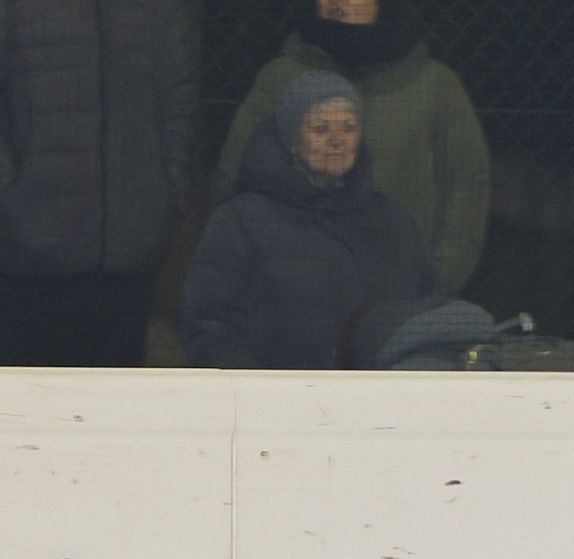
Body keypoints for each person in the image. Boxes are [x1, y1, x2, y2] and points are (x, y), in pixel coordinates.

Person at [212, 0, 490, 293]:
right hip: (293, 294)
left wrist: (438, 276)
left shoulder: (434, 86)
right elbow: (235, 176)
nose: (336, 2)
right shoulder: (281, 79)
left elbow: (465, 186)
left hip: (399, 293)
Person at [181, 71, 437, 369]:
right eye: (320, 129)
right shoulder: (241, 220)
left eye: (349, 128)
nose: (337, 141)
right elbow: (209, 326)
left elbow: (427, 309)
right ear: (292, 140)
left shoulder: (392, 218)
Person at [0, 0, 197, 367]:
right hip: (29, 254)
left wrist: (167, 188)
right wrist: (12, 198)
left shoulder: (157, 10)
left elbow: (177, 99)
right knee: (32, 407)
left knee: (115, 407)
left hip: (131, 250)